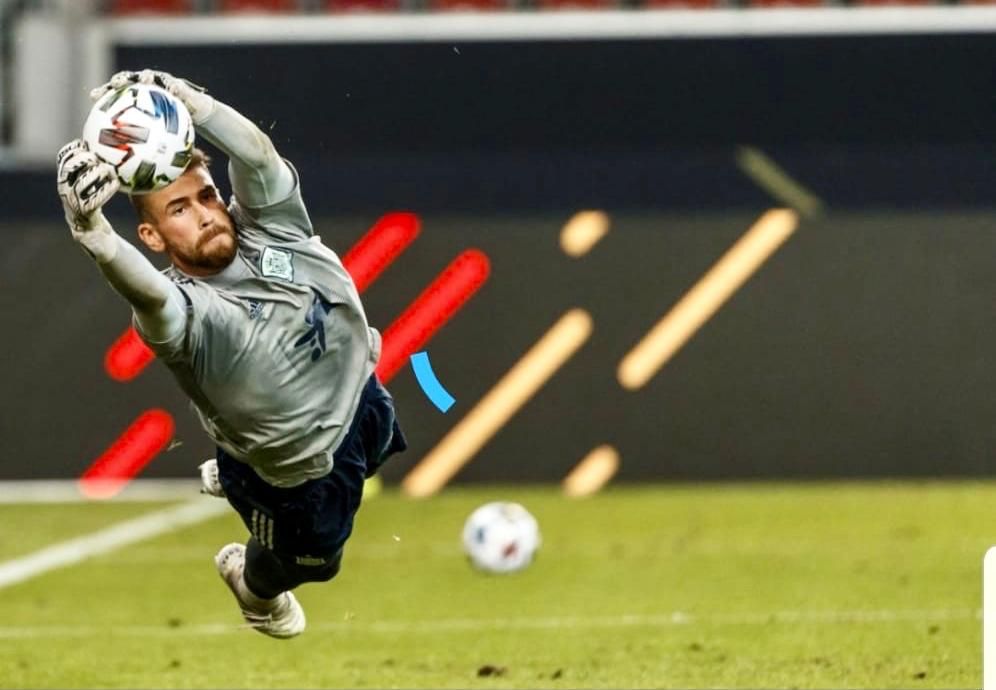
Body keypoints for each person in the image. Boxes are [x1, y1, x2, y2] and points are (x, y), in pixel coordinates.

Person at [56, 69, 407, 639]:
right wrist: (94, 233)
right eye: (178, 211)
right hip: (303, 475)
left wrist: (191, 101)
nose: (204, 214)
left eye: (206, 196)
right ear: (152, 237)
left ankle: (238, 470)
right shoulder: (192, 316)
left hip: (364, 398)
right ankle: (255, 591)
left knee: (381, 445)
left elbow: (261, 156)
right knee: (314, 564)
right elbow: (150, 295)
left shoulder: (271, 226)